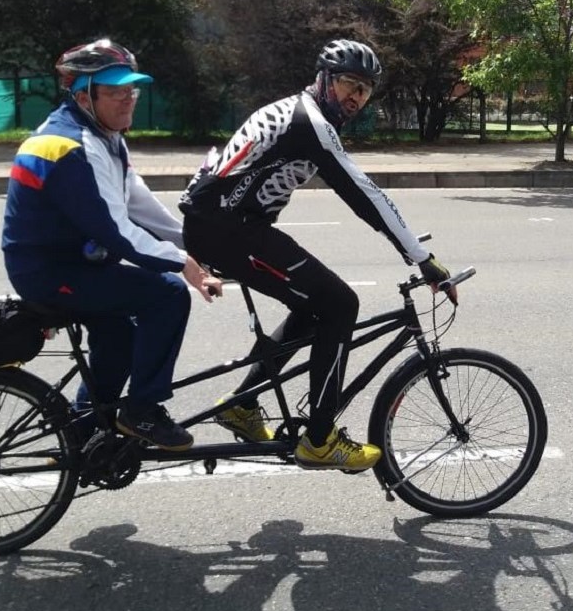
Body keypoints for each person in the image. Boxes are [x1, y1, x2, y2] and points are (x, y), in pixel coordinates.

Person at [179, 38, 455, 471]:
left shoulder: (304, 114)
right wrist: (420, 257)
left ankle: (242, 405)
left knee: (315, 306)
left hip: (228, 228)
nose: (356, 97)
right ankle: (321, 438)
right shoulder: (308, 121)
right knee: (341, 304)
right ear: (324, 79)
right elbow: (363, 193)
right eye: (349, 84)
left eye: (365, 90)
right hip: (226, 231)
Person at [2, 38, 221, 451]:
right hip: (51, 273)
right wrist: (183, 266)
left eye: (131, 90)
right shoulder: (69, 146)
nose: (128, 100)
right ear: (84, 95)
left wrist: (195, 244)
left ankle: (83, 431)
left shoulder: (103, 136)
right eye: (116, 91)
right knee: (167, 294)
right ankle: (143, 410)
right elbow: (116, 231)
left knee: (119, 331)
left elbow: (138, 203)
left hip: (75, 265)